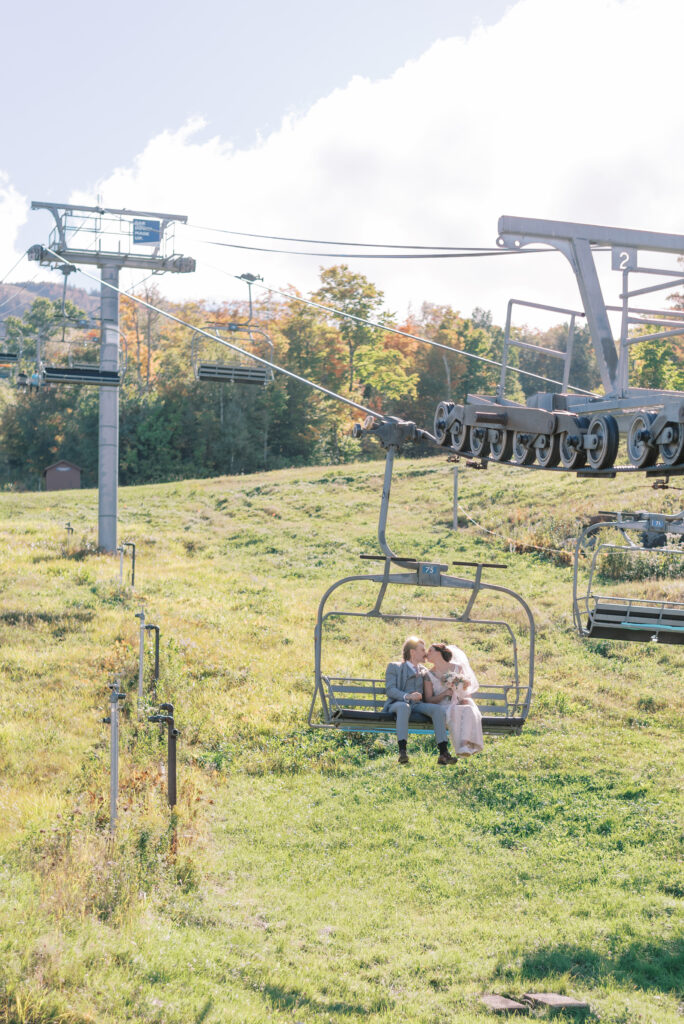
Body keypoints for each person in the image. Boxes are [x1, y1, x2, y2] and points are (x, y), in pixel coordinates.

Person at [384, 636, 458, 765]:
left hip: (418, 705)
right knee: (403, 707)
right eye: (422, 650)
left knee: (437, 710)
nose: (426, 654)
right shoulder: (394, 667)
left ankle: (443, 752)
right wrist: (407, 696)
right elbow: (390, 690)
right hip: (397, 704)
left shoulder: (424, 671)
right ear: (413, 652)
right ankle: (402, 751)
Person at [423, 642, 483, 757]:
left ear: (439, 652)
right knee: (458, 711)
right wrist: (444, 694)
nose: (427, 653)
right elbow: (429, 700)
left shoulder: (457, 668)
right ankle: (461, 747)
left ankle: (464, 745)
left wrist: (463, 695)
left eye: (430, 650)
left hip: (458, 702)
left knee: (468, 709)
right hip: (441, 706)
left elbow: (463, 688)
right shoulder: (428, 675)